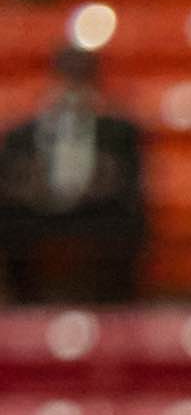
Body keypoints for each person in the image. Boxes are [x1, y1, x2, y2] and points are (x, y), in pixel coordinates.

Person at [0, 37, 151, 308]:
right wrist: (29, 186)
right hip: (39, 209)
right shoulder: (22, 132)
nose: (74, 84)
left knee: (128, 219)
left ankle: (116, 303)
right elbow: (9, 178)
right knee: (11, 218)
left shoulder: (118, 131)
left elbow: (132, 180)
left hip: (98, 209)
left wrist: (107, 181)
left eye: (81, 76)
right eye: (68, 75)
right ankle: (23, 303)